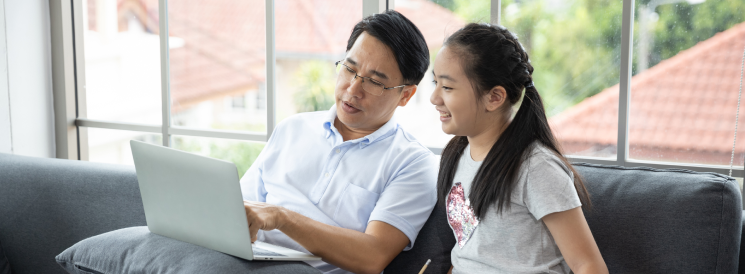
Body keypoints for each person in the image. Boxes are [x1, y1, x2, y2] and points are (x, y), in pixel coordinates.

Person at [239, 10, 437, 274]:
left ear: (406, 95)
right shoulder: (292, 129)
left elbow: (372, 257)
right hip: (247, 260)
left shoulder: (413, 164)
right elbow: (242, 210)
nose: (353, 90)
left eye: (375, 82)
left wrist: (280, 217)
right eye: (349, 68)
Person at [430, 23, 608, 274]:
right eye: (435, 82)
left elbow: (588, 265)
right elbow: (468, 253)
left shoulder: (536, 168)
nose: (434, 98)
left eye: (447, 87)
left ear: (494, 97)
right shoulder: (456, 154)